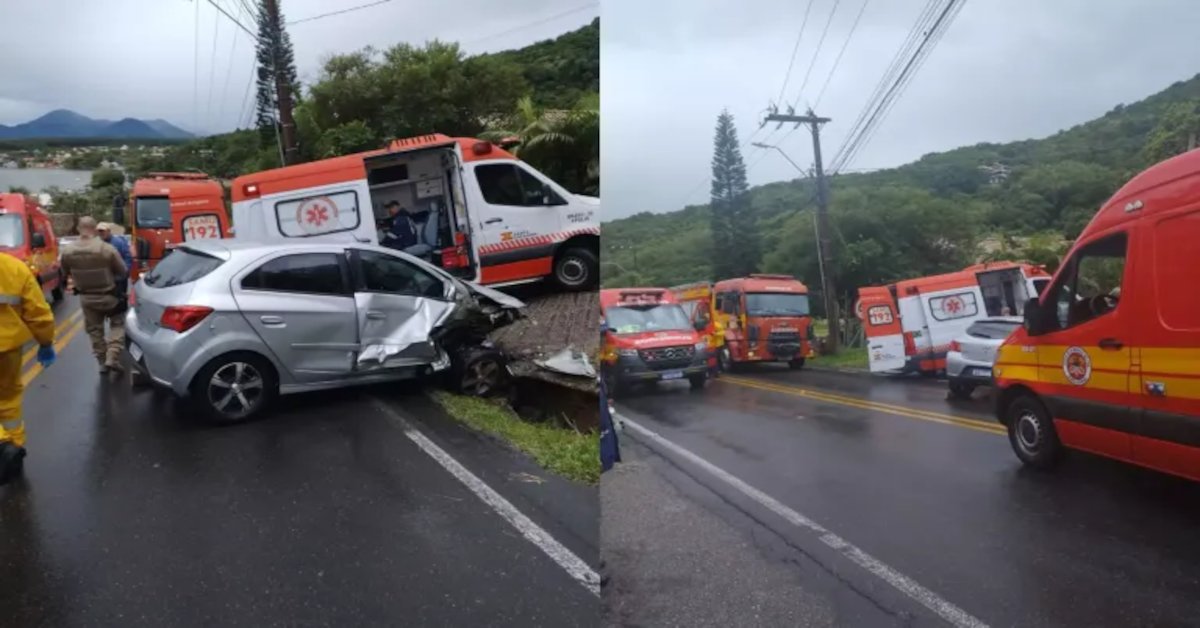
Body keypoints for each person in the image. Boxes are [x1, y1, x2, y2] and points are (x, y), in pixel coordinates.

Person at [0, 249, 57, 484]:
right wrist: (45, 342)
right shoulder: (14, 267)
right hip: (7, 348)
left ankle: (3, 445)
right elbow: (39, 313)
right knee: (8, 399)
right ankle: (13, 449)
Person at [61, 216, 128, 374]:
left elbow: (64, 273)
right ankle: (113, 354)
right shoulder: (106, 249)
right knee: (117, 324)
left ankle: (102, 362)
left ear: (78, 229)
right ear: (95, 229)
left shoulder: (68, 251)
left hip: (87, 298)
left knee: (94, 330)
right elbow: (123, 271)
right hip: (109, 295)